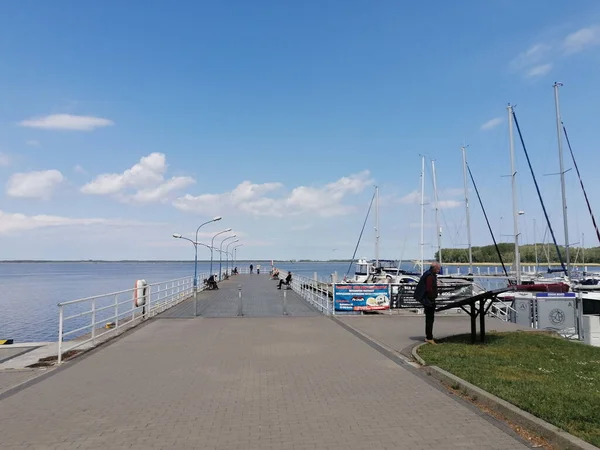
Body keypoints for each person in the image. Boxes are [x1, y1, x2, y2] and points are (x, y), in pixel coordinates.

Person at [414, 262, 440, 344]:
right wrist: (432, 298)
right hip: (428, 300)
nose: (439, 271)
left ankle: (429, 336)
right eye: (438, 269)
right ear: (434, 268)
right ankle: (429, 337)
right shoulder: (429, 276)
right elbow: (429, 289)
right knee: (429, 319)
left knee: (430, 319)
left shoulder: (429, 274)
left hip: (428, 299)